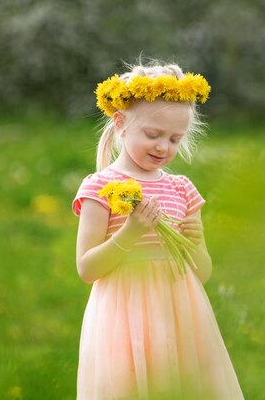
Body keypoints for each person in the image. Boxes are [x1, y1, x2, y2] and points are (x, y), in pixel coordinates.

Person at [72, 59, 245, 400]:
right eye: (152, 135)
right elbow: (87, 268)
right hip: (123, 317)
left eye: (175, 139)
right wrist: (129, 234)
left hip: (182, 314)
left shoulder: (182, 189)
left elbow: (203, 272)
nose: (163, 147)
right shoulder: (100, 187)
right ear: (120, 124)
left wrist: (195, 246)